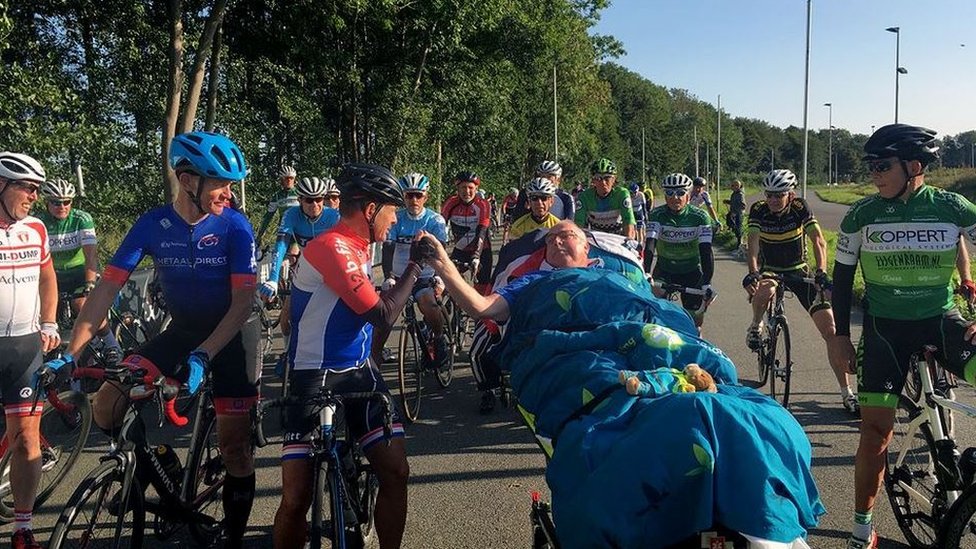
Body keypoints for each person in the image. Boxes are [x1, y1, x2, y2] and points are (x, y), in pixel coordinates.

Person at [50, 131, 259, 547]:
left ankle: (234, 539)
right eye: (220, 182)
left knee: (234, 448)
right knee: (108, 405)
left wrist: (205, 353)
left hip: (232, 336)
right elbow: (106, 289)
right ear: (187, 181)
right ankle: (161, 464)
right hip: (182, 332)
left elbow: (241, 305)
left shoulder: (236, 226)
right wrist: (67, 353)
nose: (228, 192)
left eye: (231, 183)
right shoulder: (152, 224)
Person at [827, 124, 976, 549]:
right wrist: (839, 338)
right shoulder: (862, 214)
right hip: (884, 330)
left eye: (882, 166)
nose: (874, 174)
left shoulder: (952, 207)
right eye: (871, 166)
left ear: (914, 166)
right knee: (874, 434)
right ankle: (861, 529)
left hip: (941, 319)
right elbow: (841, 281)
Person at [274, 163, 414, 549]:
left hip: (359, 369)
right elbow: (383, 315)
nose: (395, 218)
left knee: (396, 471)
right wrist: (416, 267)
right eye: (391, 209)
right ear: (370, 210)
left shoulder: (359, 245)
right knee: (295, 497)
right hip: (312, 372)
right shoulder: (331, 247)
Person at [742, 169, 857, 414]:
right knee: (763, 290)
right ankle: (756, 325)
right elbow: (752, 242)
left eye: (779, 195)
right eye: (770, 194)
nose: (773, 200)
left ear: (791, 194)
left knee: (831, 331)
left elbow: (818, 240)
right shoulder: (758, 210)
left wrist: (822, 272)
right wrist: (753, 271)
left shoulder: (800, 208)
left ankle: (847, 393)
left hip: (799, 270)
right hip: (771, 269)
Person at [0, 152, 59, 549]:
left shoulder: (36, 228)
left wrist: (51, 323)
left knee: (26, 440)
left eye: (38, 190)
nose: (34, 197)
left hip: (24, 347)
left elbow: (47, 276)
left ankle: (23, 527)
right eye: (28, 188)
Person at [415, 219, 593, 323]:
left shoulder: (611, 273)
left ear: (587, 247)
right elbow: (481, 307)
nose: (556, 242)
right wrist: (440, 262)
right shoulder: (531, 281)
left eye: (566, 236)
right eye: (551, 239)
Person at [259, 176, 341, 378]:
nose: (315, 204)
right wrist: (272, 277)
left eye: (319, 199)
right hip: (305, 269)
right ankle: (289, 354)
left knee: (337, 316)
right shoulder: (291, 214)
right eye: (309, 200)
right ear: (300, 200)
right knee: (287, 318)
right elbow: (281, 245)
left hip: (330, 270)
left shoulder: (333, 216)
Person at [37, 178, 121, 357]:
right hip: (53, 275)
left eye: (66, 202)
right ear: (46, 203)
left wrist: (90, 283)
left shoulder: (82, 218)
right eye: (56, 202)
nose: (62, 206)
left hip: (80, 272)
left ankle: (111, 344)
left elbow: (90, 255)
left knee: (84, 305)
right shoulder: (39, 221)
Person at [381, 172, 451, 366]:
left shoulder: (435, 220)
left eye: (418, 195)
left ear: (425, 197)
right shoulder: (396, 219)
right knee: (383, 313)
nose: (413, 200)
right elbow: (387, 248)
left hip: (425, 274)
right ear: (403, 197)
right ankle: (375, 353)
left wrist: (439, 276)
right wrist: (388, 276)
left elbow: (441, 252)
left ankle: (438, 339)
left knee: (429, 305)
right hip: (399, 276)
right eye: (409, 195)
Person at [643, 173, 714, 328]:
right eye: (670, 193)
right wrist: (646, 272)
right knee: (654, 306)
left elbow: (706, 251)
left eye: (681, 193)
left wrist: (707, 282)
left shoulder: (700, 217)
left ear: (688, 195)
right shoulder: (657, 215)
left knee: (695, 321)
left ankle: (696, 337)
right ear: (665, 195)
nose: (675, 198)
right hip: (665, 270)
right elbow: (650, 244)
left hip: (691, 272)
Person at [441, 171, 493, 294]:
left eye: (470, 187)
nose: (467, 191)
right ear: (457, 188)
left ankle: (478, 313)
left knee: (482, 291)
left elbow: (482, 231)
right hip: (460, 250)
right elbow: (440, 226)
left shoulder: (483, 205)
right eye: (463, 187)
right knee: (445, 282)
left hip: (482, 251)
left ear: (476, 188)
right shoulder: (451, 203)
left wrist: (476, 256)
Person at [574, 158, 635, 239]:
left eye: (607, 178)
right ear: (593, 180)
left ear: (614, 179)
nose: (603, 182)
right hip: (597, 240)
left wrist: (629, 243)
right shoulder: (584, 197)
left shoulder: (622, 194)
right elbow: (579, 225)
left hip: (618, 239)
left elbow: (628, 222)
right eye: (598, 178)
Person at [510, 161, 576, 222]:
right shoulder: (526, 193)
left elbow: (570, 222)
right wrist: (526, 210)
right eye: (541, 176)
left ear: (558, 180)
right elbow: (516, 218)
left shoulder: (566, 198)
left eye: (549, 177)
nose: (544, 179)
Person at [255, 164, 299, 244]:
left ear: (294, 179)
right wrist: (260, 235)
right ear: (282, 180)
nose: (289, 181)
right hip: (284, 230)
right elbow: (268, 216)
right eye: (286, 178)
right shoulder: (277, 196)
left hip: (298, 229)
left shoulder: (300, 194)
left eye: (291, 178)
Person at [723, 179, 746, 250]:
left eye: (734, 185)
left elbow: (743, 205)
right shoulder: (734, 194)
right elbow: (733, 203)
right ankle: (737, 239)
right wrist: (728, 201)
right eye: (732, 185)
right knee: (729, 222)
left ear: (738, 186)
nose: (733, 187)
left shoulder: (740, 194)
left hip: (738, 213)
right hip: (733, 212)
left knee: (738, 228)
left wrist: (735, 212)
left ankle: (739, 242)